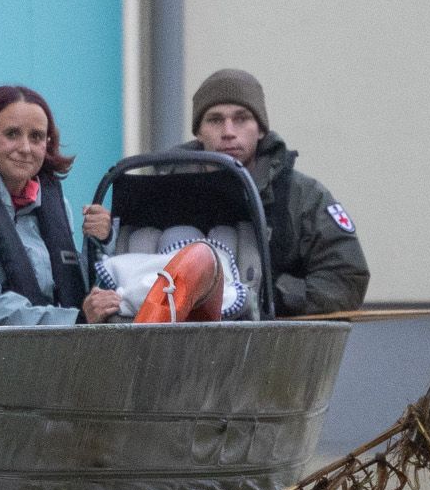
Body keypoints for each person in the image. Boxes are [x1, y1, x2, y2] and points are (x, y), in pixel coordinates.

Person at [85, 68, 369, 317]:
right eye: (215, 120)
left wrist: (269, 294)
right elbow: (118, 272)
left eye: (242, 118)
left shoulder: (301, 196)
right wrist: (107, 236)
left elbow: (345, 277)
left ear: (260, 130)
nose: (229, 131)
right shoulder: (159, 188)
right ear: (198, 131)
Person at [0, 85, 124, 327]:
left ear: (47, 144)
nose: (25, 148)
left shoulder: (56, 205)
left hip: (48, 348)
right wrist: (72, 322)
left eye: (35, 137)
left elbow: (81, 290)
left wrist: (103, 242)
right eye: (12, 134)